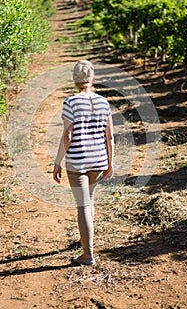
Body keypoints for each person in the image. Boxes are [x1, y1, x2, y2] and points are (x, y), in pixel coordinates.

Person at [53, 60, 114, 266]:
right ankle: (87, 241)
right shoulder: (104, 102)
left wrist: (58, 161)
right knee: (89, 202)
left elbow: (68, 135)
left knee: (83, 205)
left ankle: (88, 254)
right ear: (92, 79)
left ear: (75, 80)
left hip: (78, 162)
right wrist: (110, 163)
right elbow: (110, 136)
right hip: (99, 160)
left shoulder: (70, 102)